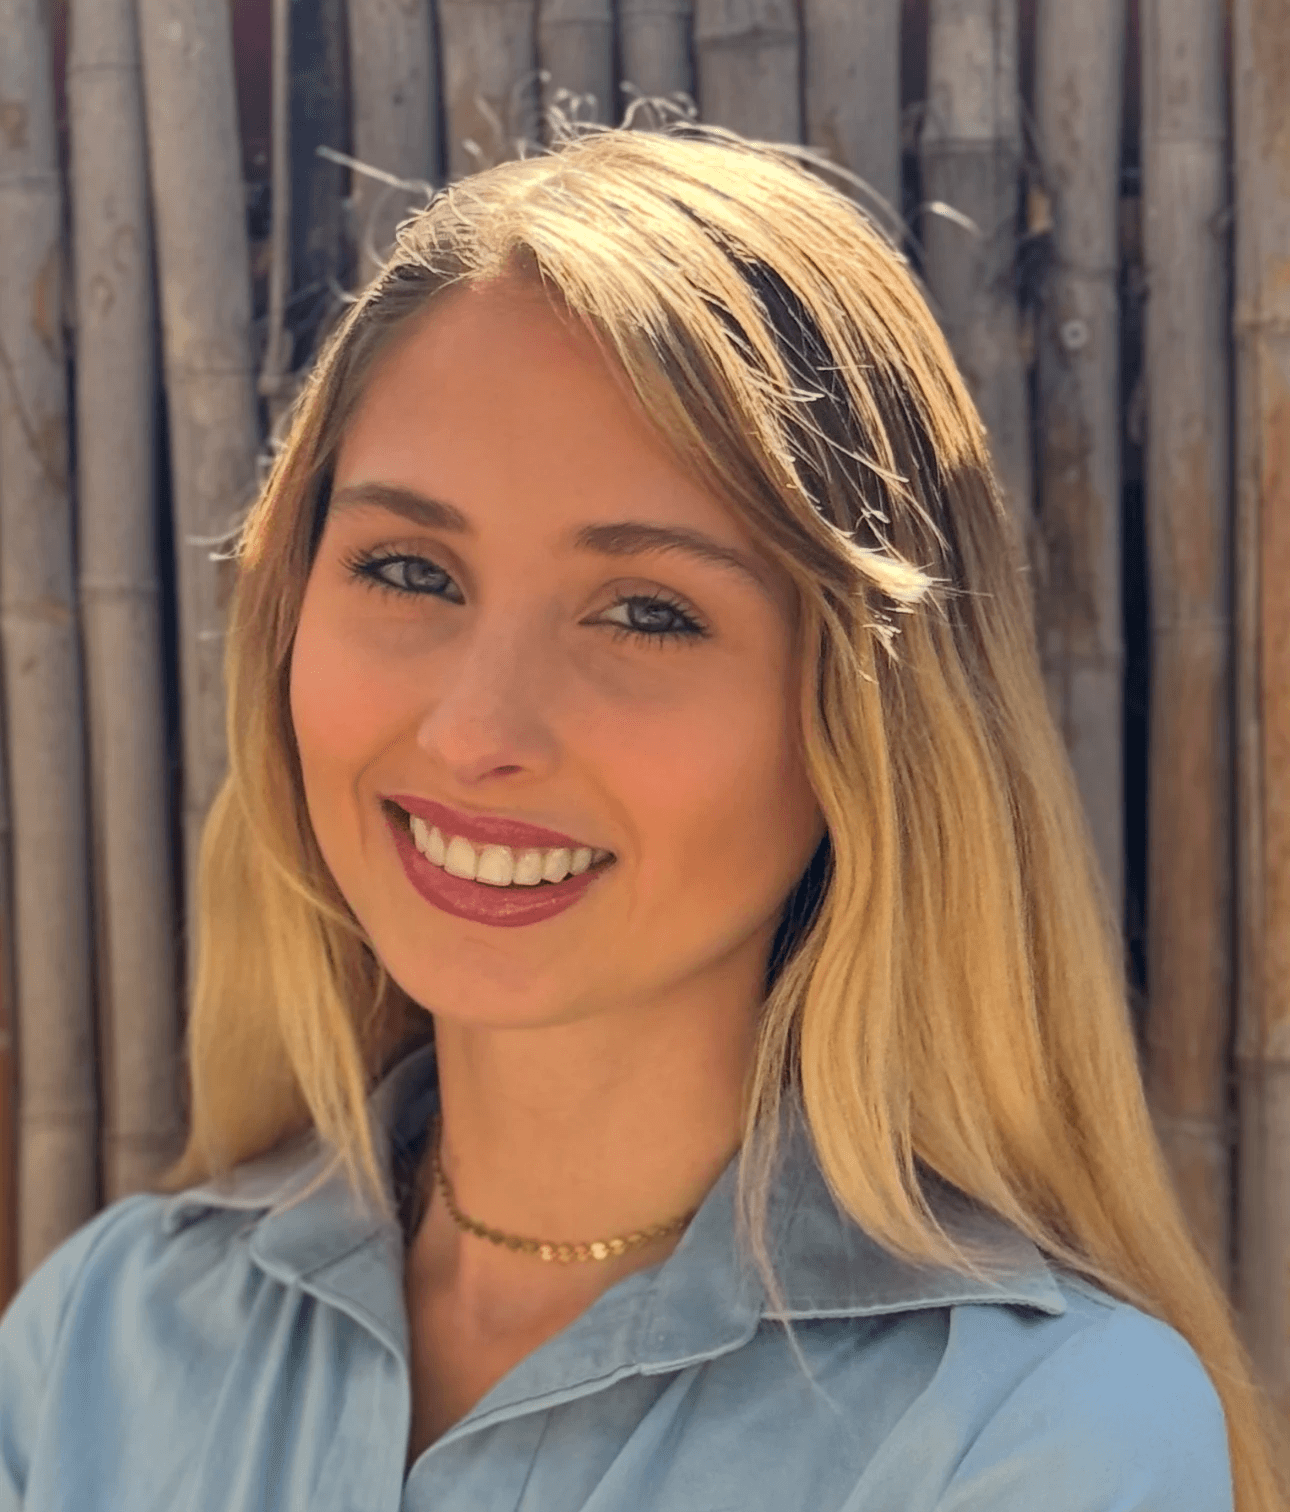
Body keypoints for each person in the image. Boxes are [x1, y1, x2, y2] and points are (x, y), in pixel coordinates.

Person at [0, 120, 1284, 1512]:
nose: (475, 732)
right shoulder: (100, 1337)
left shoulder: (1033, 1433)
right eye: (410, 571)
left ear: (861, 720)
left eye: (646, 612)